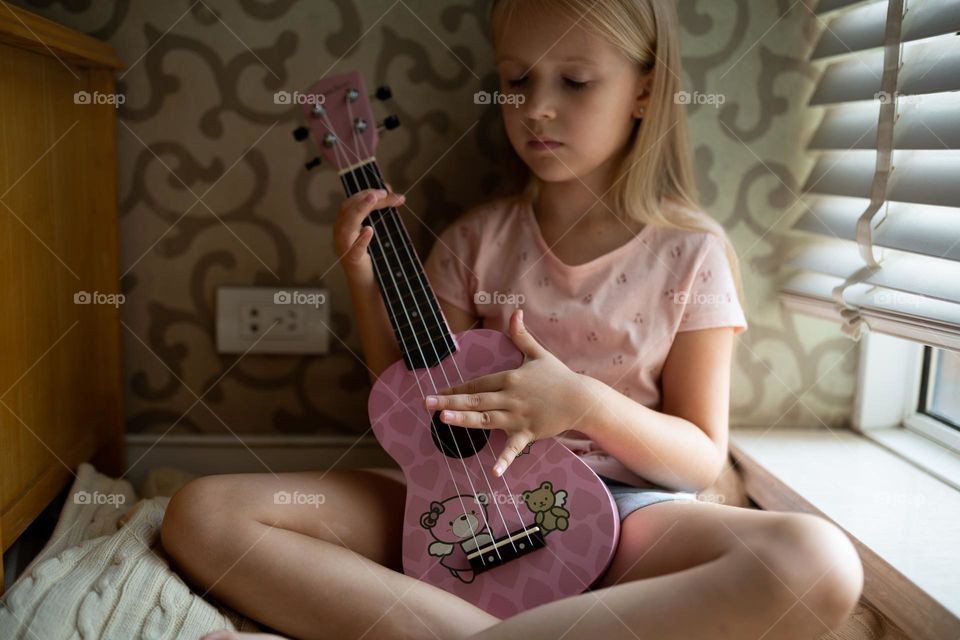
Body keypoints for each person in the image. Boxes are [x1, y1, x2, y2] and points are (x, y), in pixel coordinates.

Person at [161, 1, 863, 638]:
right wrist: (363, 281)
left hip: (625, 517)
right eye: (517, 80)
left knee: (820, 562)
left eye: (576, 82)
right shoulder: (476, 244)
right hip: (452, 505)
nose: (537, 109)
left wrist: (583, 404)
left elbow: (702, 456)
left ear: (644, 89)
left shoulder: (690, 256)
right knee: (202, 513)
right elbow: (411, 406)